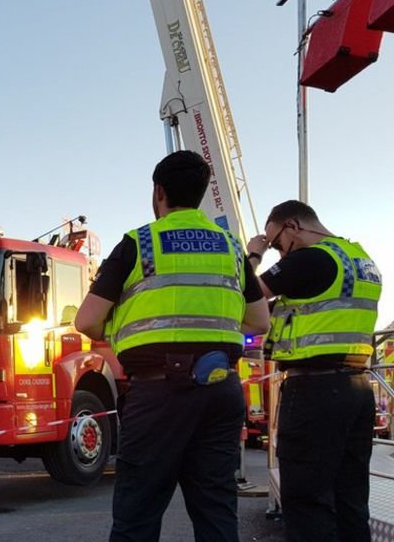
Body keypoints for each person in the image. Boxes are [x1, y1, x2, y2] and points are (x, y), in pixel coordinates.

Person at [74, 150, 269, 542]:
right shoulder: (231, 248)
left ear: (158, 192)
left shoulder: (139, 243)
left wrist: (126, 330)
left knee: (137, 514)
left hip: (158, 392)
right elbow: (260, 321)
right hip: (220, 390)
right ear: (201, 192)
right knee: (216, 511)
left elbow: (86, 321)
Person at [245, 200, 381, 542]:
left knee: (306, 501)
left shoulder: (310, 259)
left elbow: (243, 295)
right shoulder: (360, 260)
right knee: (351, 500)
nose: (279, 253)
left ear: (293, 226)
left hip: (314, 392)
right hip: (357, 388)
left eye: (277, 244)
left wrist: (254, 254)